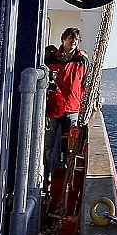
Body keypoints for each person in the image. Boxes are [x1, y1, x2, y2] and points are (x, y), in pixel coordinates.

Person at [44, 27, 87, 177]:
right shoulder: (52, 58)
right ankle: (51, 174)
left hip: (72, 108)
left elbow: (84, 84)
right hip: (54, 108)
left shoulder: (82, 61)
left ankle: (66, 177)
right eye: (70, 38)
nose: (73, 41)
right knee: (51, 145)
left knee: (68, 147)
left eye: (76, 39)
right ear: (64, 39)